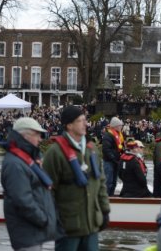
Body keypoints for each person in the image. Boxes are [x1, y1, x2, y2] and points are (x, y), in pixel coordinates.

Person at [43, 105, 110, 251]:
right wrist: (53, 219)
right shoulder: (55, 153)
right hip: (68, 227)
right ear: (69, 125)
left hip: (91, 224)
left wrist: (105, 210)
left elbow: (101, 183)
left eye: (84, 120)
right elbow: (46, 190)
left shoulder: (92, 150)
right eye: (80, 120)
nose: (85, 123)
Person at [1, 117, 62, 250]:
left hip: (33, 231)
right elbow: (22, 200)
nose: (40, 139)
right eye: (37, 135)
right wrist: (43, 219)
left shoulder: (27, 159)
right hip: (27, 231)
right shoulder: (15, 164)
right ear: (26, 136)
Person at [101, 116, 125, 196]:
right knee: (108, 182)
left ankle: (111, 197)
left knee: (114, 182)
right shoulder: (108, 135)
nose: (121, 127)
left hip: (116, 161)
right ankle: (106, 198)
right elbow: (106, 150)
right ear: (115, 126)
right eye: (120, 125)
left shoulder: (119, 135)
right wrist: (114, 159)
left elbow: (121, 147)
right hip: (109, 162)